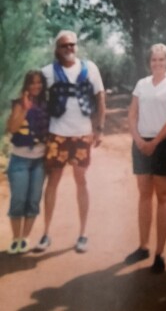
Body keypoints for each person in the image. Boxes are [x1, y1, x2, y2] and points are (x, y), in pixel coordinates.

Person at [34, 30, 106, 253]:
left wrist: (99, 128)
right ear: (57, 48)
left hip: (82, 134)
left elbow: (100, 97)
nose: (69, 49)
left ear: (76, 46)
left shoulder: (90, 68)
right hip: (57, 134)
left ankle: (83, 234)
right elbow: (36, 100)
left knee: (81, 180)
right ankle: (46, 234)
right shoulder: (47, 73)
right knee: (52, 182)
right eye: (64, 46)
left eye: (72, 45)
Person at [124, 44, 166, 273]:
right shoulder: (142, 84)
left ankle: (159, 253)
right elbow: (132, 113)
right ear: (149, 62)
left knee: (164, 196)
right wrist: (139, 140)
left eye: (161, 60)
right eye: (153, 60)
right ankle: (143, 246)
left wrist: (154, 142)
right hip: (141, 144)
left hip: (163, 144)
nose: (157, 63)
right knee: (144, 195)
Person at [5, 70, 49, 254]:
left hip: (39, 162)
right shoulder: (18, 103)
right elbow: (12, 128)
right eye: (32, 83)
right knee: (18, 200)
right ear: (26, 85)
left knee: (33, 201)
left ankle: (24, 238)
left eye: (39, 83)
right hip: (20, 160)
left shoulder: (47, 105)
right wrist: (24, 109)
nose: (36, 86)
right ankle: (15, 239)